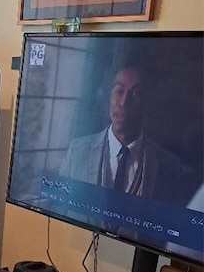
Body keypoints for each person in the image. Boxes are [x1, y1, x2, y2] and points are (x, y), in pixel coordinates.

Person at [59, 65, 187, 204]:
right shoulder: (77, 152)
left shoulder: (168, 165)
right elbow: (60, 208)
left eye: (135, 94)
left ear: (147, 103)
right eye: (119, 91)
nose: (123, 102)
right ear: (109, 96)